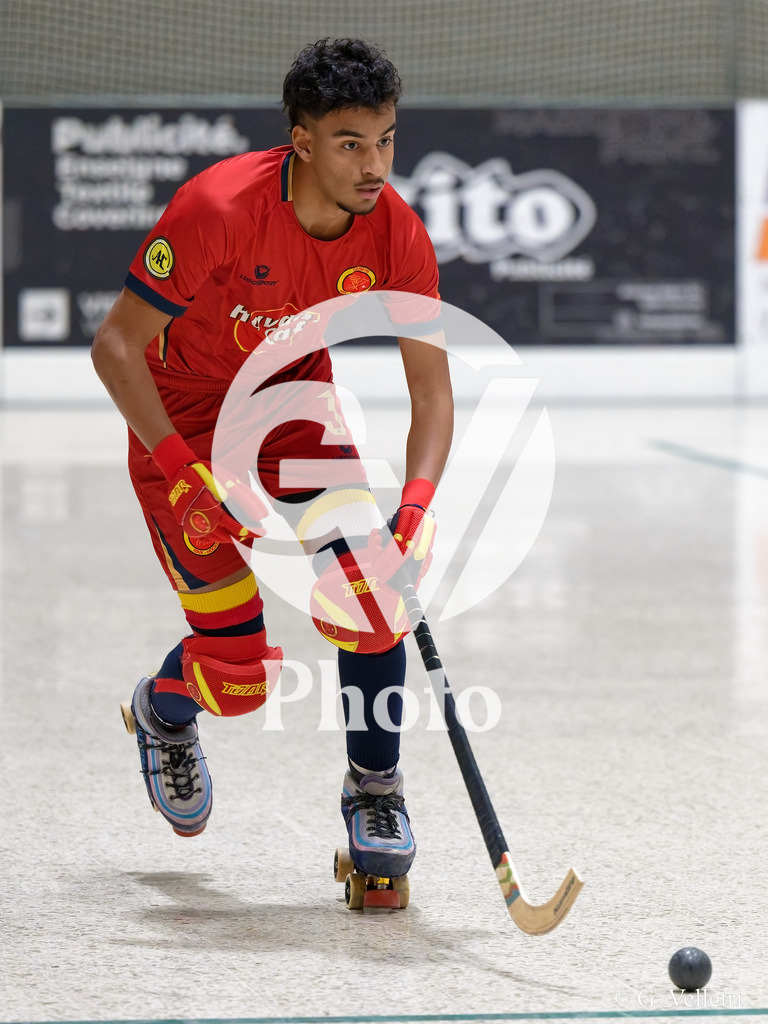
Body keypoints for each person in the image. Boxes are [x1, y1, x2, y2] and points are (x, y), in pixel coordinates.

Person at [92, 37, 453, 884]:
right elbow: (116, 347)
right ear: (301, 141)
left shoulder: (396, 231)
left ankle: (375, 788)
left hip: (290, 411)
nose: (375, 166)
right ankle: (163, 710)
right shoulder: (219, 207)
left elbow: (432, 395)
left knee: (374, 594)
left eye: (387, 139)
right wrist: (185, 474)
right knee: (237, 675)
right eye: (351, 144)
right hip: (177, 422)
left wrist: (416, 508)